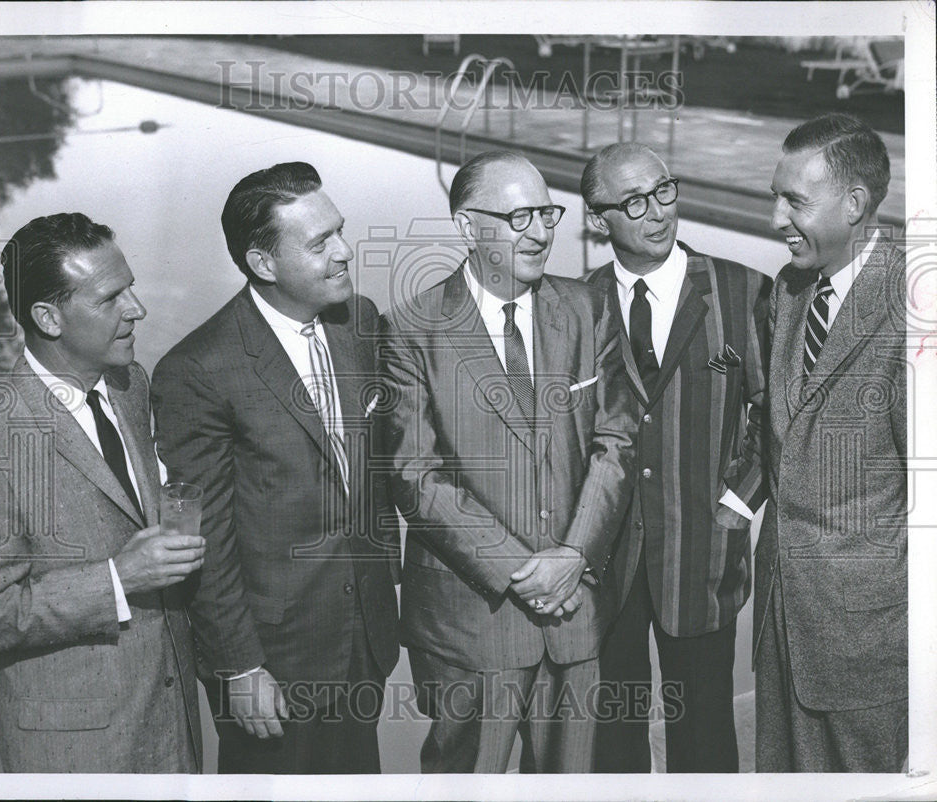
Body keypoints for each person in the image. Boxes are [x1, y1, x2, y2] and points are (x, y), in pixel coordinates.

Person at [381, 150, 638, 773]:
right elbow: (415, 477)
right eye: (520, 216)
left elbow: (618, 438)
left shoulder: (586, 308)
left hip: (575, 617)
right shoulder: (412, 329)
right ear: (469, 227)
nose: (543, 231)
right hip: (473, 627)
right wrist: (526, 570)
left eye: (547, 213)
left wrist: (574, 555)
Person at [151, 163, 400, 774]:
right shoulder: (198, 370)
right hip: (274, 661)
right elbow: (206, 537)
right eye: (320, 243)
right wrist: (240, 666)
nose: (344, 252)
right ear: (263, 264)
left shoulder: (360, 322)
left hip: (363, 636)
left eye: (340, 231)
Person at [0, 213, 204, 773]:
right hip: (74, 752)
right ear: (48, 318)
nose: (138, 308)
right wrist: (117, 580)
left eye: (132, 287)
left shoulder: (130, 383)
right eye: (111, 298)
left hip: (171, 725)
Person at [581, 143, 771, 773]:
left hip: (704, 558)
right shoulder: (575, 307)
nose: (658, 212)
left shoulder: (744, 293)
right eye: (634, 201)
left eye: (664, 190)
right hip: (604, 567)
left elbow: (777, 418)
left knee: (706, 737)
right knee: (612, 739)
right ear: (595, 219)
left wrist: (735, 507)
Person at [755, 113, 906, 772]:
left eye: (795, 201)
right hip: (780, 619)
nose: (774, 218)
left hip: (869, 641)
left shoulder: (914, 306)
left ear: (854, 204)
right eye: (775, 196)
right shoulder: (790, 290)